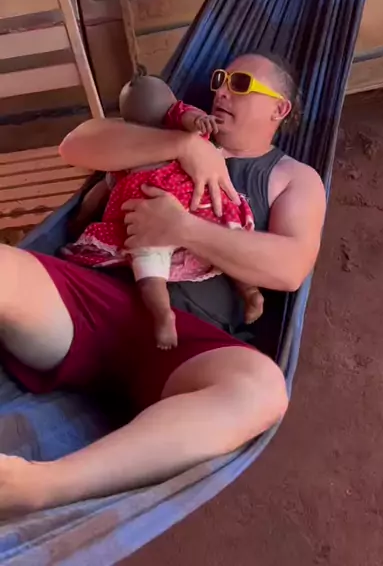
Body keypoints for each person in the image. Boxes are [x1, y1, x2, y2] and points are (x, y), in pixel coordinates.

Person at [0, 52, 325, 517]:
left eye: (240, 83)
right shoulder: (172, 133)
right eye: (220, 80)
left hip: (185, 342)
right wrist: (182, 146)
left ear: (280, 109)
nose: (221, 90)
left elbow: (290, 268)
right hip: (89, 299)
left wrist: (184, 229)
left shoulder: (292, 178)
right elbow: (76, 146)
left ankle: (43, 485)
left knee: (263, 390)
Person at [63, 73, 260, 350]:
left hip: (147, 226)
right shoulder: (174, 132)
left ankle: (162, 314)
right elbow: (189, 117)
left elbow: (97, 194)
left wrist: (79, 220)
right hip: (195, 213)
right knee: (228, 243)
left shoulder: (129, 156)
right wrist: (196, 126)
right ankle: (249, 290)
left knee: (149, 275)